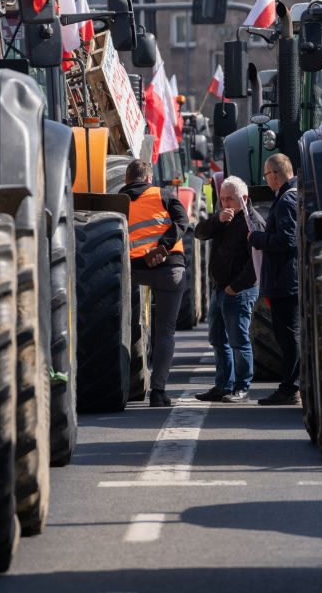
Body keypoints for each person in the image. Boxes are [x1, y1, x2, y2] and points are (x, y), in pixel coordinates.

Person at [122, 159, 189, 407]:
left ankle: (126, 382)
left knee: (124, 325)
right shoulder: (164, 195)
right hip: (169, 269)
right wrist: (163, 246)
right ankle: (158, 392)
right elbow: (183, 222)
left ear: (127, 179)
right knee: (165, 331)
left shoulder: (118, 200)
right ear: (149, 178)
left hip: (133, 270)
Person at [193, 176, 264, 404]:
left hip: (239, 291)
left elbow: (255, 263)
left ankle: (242, 388)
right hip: (220, 288)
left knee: (238, 341)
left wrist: (235, 287)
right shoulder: (223, 218)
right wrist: (217, 220)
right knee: (217, 339)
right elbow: (198, 232)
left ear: (244, 198)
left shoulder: (252, 222)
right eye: (222, 199)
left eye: (230, 199)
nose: (225, 204)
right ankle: (223, 385)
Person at [249, 153, 300, 406]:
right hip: (284, 277)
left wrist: (257, 239)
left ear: (276, 175)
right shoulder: (290, 196)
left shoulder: (286, 200)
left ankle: (290, 388)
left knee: (288, 336)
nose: (266, 180)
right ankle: (290, 386)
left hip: (284, 279)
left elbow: (288, 240)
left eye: (267, 175)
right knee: (287, 335)